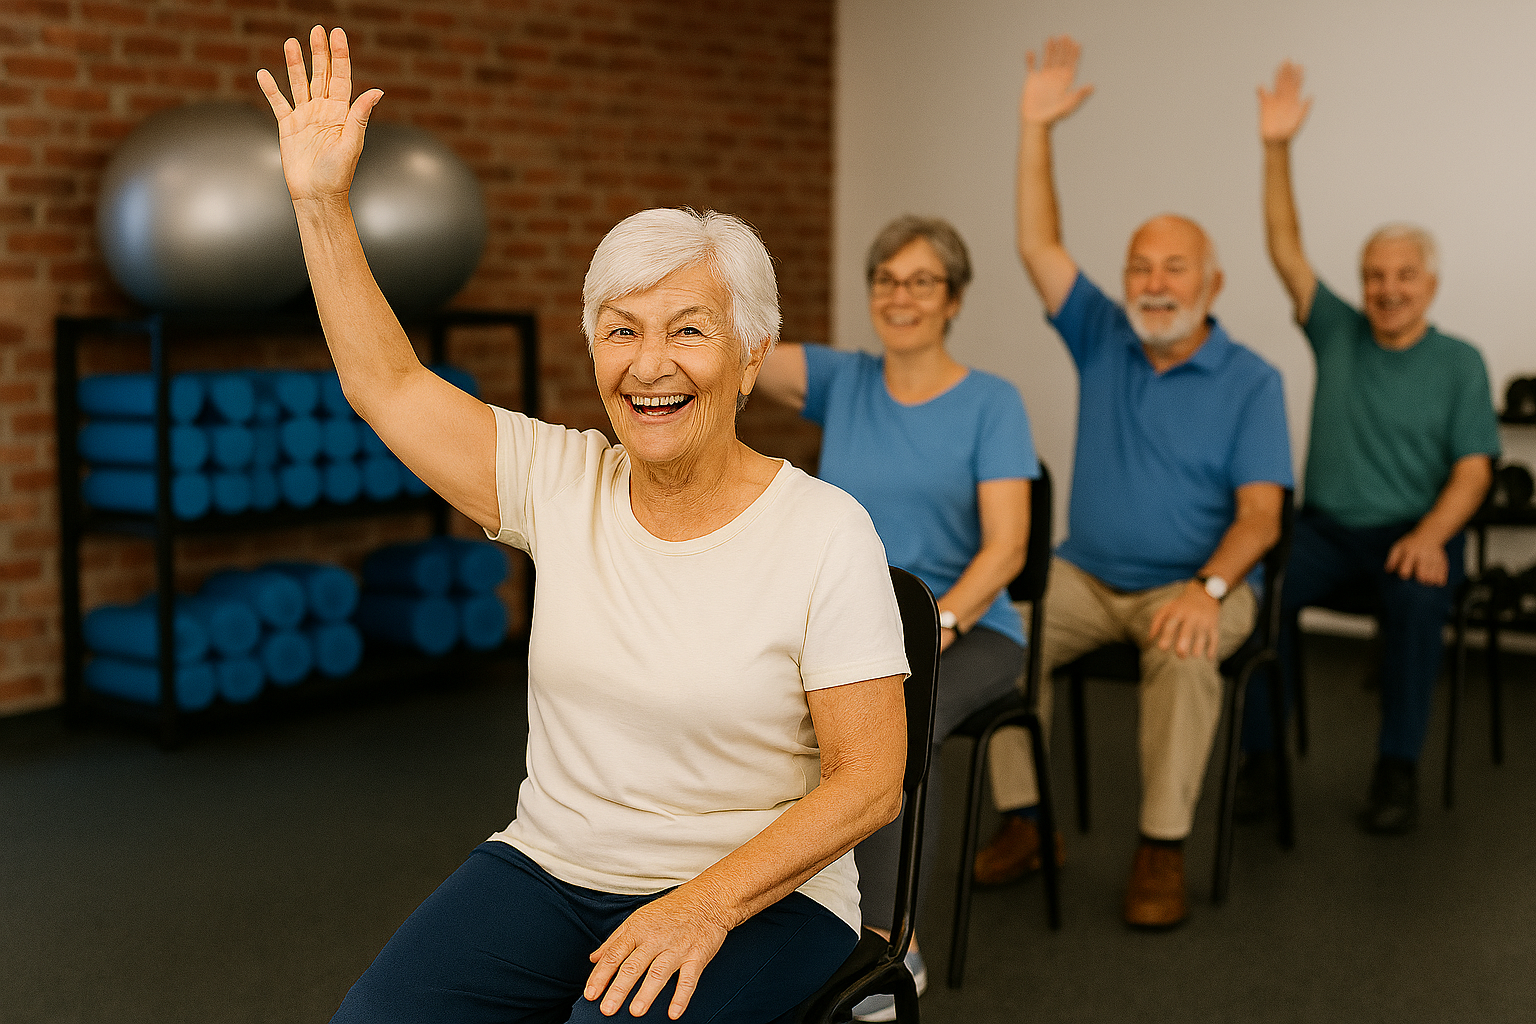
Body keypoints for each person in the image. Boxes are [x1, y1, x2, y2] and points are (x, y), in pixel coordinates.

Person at [258, 27, 912, 1023]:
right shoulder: (560, 480)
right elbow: (384, 383)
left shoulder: (827, 532)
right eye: (621, 330)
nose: (649, 365)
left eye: (689, 330)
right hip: (555, 863)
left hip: (761, 894)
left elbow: (870, 784)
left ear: (751, 357)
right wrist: (319, 203)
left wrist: (702, 905)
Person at [975, 36, 1293, 929]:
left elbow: (1263, 516)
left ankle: (1162, 848)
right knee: (1007, 635)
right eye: (1140, 268)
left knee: (1189, 652)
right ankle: (1030, 822)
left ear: (1213, 281)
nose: (1155, 283)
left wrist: (1211, 586)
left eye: (1174, 268)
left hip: (1197, 581)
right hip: (1087, 574)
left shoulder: (1252, 379)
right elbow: (1038, 240)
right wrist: (1034, 126)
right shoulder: (1104, 332)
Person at [755, 215, 1038, 1018]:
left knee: (905, 717)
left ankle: (888, 941)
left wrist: (940, 625)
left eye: (921, 281)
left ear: (953, 300)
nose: (899, 295)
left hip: (971, 630)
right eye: (885, 279)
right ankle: (780, 907)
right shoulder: (845, 380)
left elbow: (1008, 548)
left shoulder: (992, 403)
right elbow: (731, 348)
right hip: (856, 628)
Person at [1244, 62, 1500, 835]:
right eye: (1375, 276)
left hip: (1408, 533)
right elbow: (1286, 248)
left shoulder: (1460, 360)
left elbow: (1475, 468)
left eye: (1404, 276)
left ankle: (1398, 767)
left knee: (1423, 600)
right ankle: (1263, 764)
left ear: (1431, 283)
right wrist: (1277, 147)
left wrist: (1430, 537)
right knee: (1261, 592)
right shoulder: (1339, 330)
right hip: (1325, 530)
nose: (1388, 288)